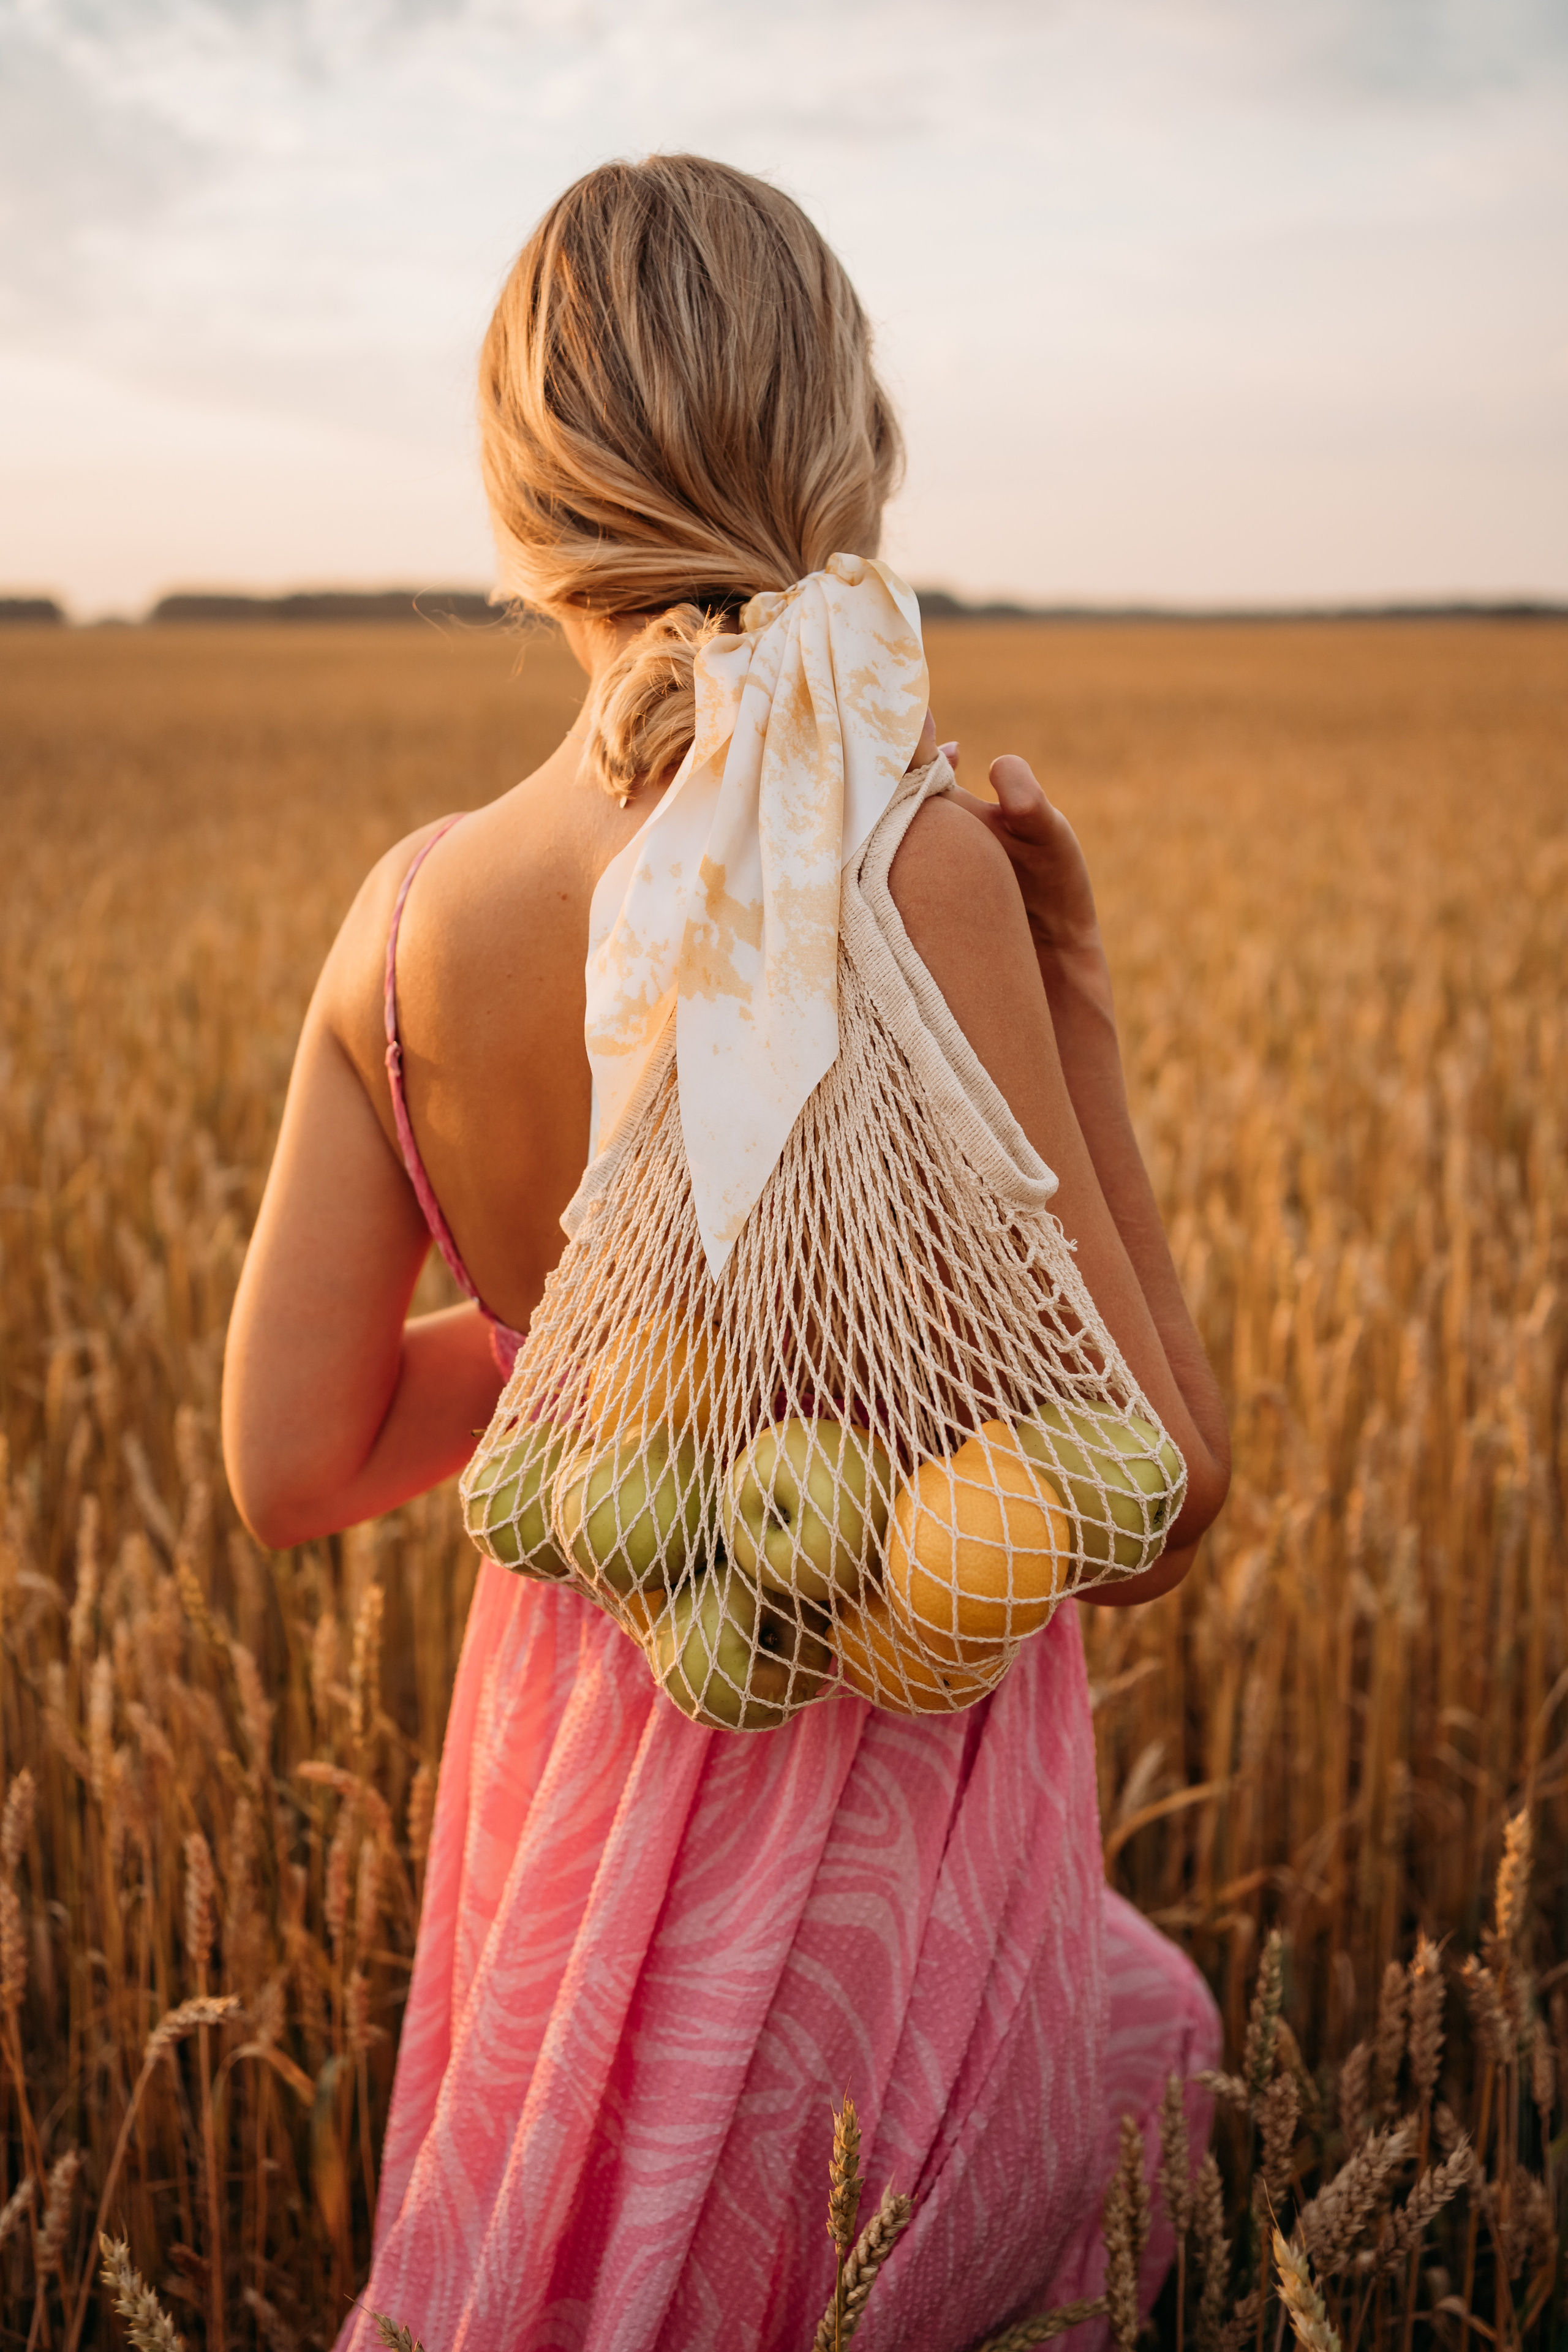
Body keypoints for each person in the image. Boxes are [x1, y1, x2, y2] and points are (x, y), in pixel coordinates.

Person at [223, 154, 1231, 2352]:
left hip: (573, 1839)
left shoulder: (402, 926)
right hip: (869, 1854)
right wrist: (1077, 1002)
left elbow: (297, 1462)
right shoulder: (914, 869)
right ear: (851, 455)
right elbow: (1153, 1505)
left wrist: (572, 1337)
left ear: (520, 512)